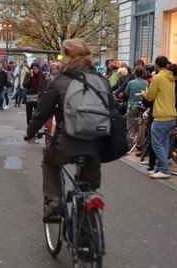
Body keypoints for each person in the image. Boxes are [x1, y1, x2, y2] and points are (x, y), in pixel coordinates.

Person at [24, 39, 113, 222]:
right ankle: (89, 222)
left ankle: (54, 200)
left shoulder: (60, 81)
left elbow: (42, 111)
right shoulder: (101, 80)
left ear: (68, 57)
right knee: (89, 187)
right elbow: (112, 110)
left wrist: (30, 132)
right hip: (95, 143)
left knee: (50, 162)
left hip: (67, 142)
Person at [143, 56, 177, 179]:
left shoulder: (157, 78)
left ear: (156, 65)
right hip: (171, 115)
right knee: (164, 143)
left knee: (157, 144)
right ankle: (160, 168)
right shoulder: (171, 78)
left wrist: (145, 93)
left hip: (161, 115)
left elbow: (151, 97)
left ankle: (165, 170)